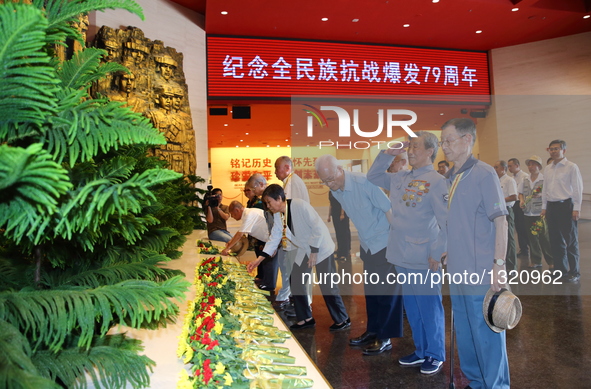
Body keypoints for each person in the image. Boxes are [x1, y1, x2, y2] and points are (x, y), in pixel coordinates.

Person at [367, 132, 447, 374]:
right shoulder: (401, 177)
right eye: (409, 147)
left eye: (415, 147)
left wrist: (438, 252)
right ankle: (421, 350)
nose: (410, 151)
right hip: (401, 253)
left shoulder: (437, 181)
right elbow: (373, 176)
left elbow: (447, 222)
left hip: (424, 257)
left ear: (430, 151)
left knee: (429, 307)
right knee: (412, 307)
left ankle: (436, 353)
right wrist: (387, 153)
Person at [440, 118, 510, 389]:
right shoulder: (453, 177)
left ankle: (496, 386)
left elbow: (501, 220)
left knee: (487, 335)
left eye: (449, 140)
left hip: (481, 273)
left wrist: (499, 264)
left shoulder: (483, 173)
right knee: (466, 335)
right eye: (443, 141)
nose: (444, 146)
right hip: (458, 271)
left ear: (467, 140)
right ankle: (477, 382)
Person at [317, 155, 404, 356]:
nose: (329, 184)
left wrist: (398, 242)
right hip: (367, 244)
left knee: (387, 293)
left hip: (384, 242)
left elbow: (388, 208)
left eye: (331, 179)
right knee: (372, 292)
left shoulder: (364, 182)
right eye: (325, 181)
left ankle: (385, 338)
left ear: (340, 169)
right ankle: (372, 331)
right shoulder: (336, 190)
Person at [247, 184, 350, 331]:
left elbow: (318, 228)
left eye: (269, 202)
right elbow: (274, 238)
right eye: (266, 204)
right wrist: (259, 260)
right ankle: (305, 318)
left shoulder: (300, 205)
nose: (268, 206)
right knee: (296, 281)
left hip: (320, 247)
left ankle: (343, 319)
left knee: (327, 286)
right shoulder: (278, 215)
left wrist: (314, 251)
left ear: (279, 198)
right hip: (304, 249)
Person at [541, 139, 583, 283]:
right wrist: (544, 207)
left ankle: (574, 271)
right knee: (555, 241)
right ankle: (560, 271)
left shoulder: (571, 167)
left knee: (570, 241)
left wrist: (576, 208)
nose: (553, 151)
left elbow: (577, 188)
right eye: (550, 149)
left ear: (563, 150)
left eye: (556, 149)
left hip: (566, 206)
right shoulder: (547, 168)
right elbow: (545, 189)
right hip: (552, 207)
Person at [273, 156, 310, 306]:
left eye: (277, 168)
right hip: (295, 235)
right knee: (294, 273)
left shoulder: (292, 182)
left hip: (297, 236)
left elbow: (289, 210)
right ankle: (298, 306)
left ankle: (303, 308)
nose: (275, 172)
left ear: (287, 168)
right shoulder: (290, 181)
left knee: (298, 274)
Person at [246, 174, 280, 294]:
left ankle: (270, 286)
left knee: (272, 261)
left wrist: (273, 241)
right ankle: (267, 283)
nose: (253, 192)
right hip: (270, 236)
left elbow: (273, 220)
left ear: (261, 184)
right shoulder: (263, 198)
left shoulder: (270, 196)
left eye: (253, 189)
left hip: (275, 235)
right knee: (266, 258)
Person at [519, 155, 553, 269]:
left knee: (544, 238)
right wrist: (522, 201)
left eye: (533, 164)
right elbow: (520, 193)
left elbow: (550, 194)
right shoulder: (525, 179)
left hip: (540, 213)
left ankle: (551, 261)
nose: (530, 167)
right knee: (532, 238)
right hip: (528, 213)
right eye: (529, 164)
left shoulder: (544, 179)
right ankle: (536, 260)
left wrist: (542, 195)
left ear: (539, 166)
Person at [221, 202, 269, 271]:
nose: (232, 216)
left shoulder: (249, 214)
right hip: (268, 241)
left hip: (273, 241)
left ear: (237, 210)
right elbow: (240, 231)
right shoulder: (248, 213)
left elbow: (240, 234)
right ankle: (264, 281)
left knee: (269, 268)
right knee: (266, 267)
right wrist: (231, 242)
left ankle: (267, 282)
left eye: (232, 214)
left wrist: (228, 248)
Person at [494, 160, 518, 272]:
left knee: (509, 238)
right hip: (498, 211)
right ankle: (501, 263)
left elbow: (514, 197)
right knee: (500, 238)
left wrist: (499, 201)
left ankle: (511, 266)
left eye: (496, 167)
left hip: (507, 210)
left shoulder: (509, 180)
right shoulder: (495, 180)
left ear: (503, 169)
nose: (495, 169)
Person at [508, 158, 530, 258]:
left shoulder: (524, 176)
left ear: (517, 165)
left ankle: (529, 247)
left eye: (510, 166)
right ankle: (523, 248)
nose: (509, 168)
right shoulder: (511, 177)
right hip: (513, 204)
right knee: (518, 227)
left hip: (521, 203)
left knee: (523, 227)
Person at [327, 191, 351, 261]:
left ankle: (344, 252)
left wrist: (342, 214)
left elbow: (343, 203)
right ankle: (340, 249)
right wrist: (329, 215)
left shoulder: (340, 191)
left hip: (342, 214)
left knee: (344, 233)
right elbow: (331, 204)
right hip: (335, 213)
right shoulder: (330, 192)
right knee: (338, 232)